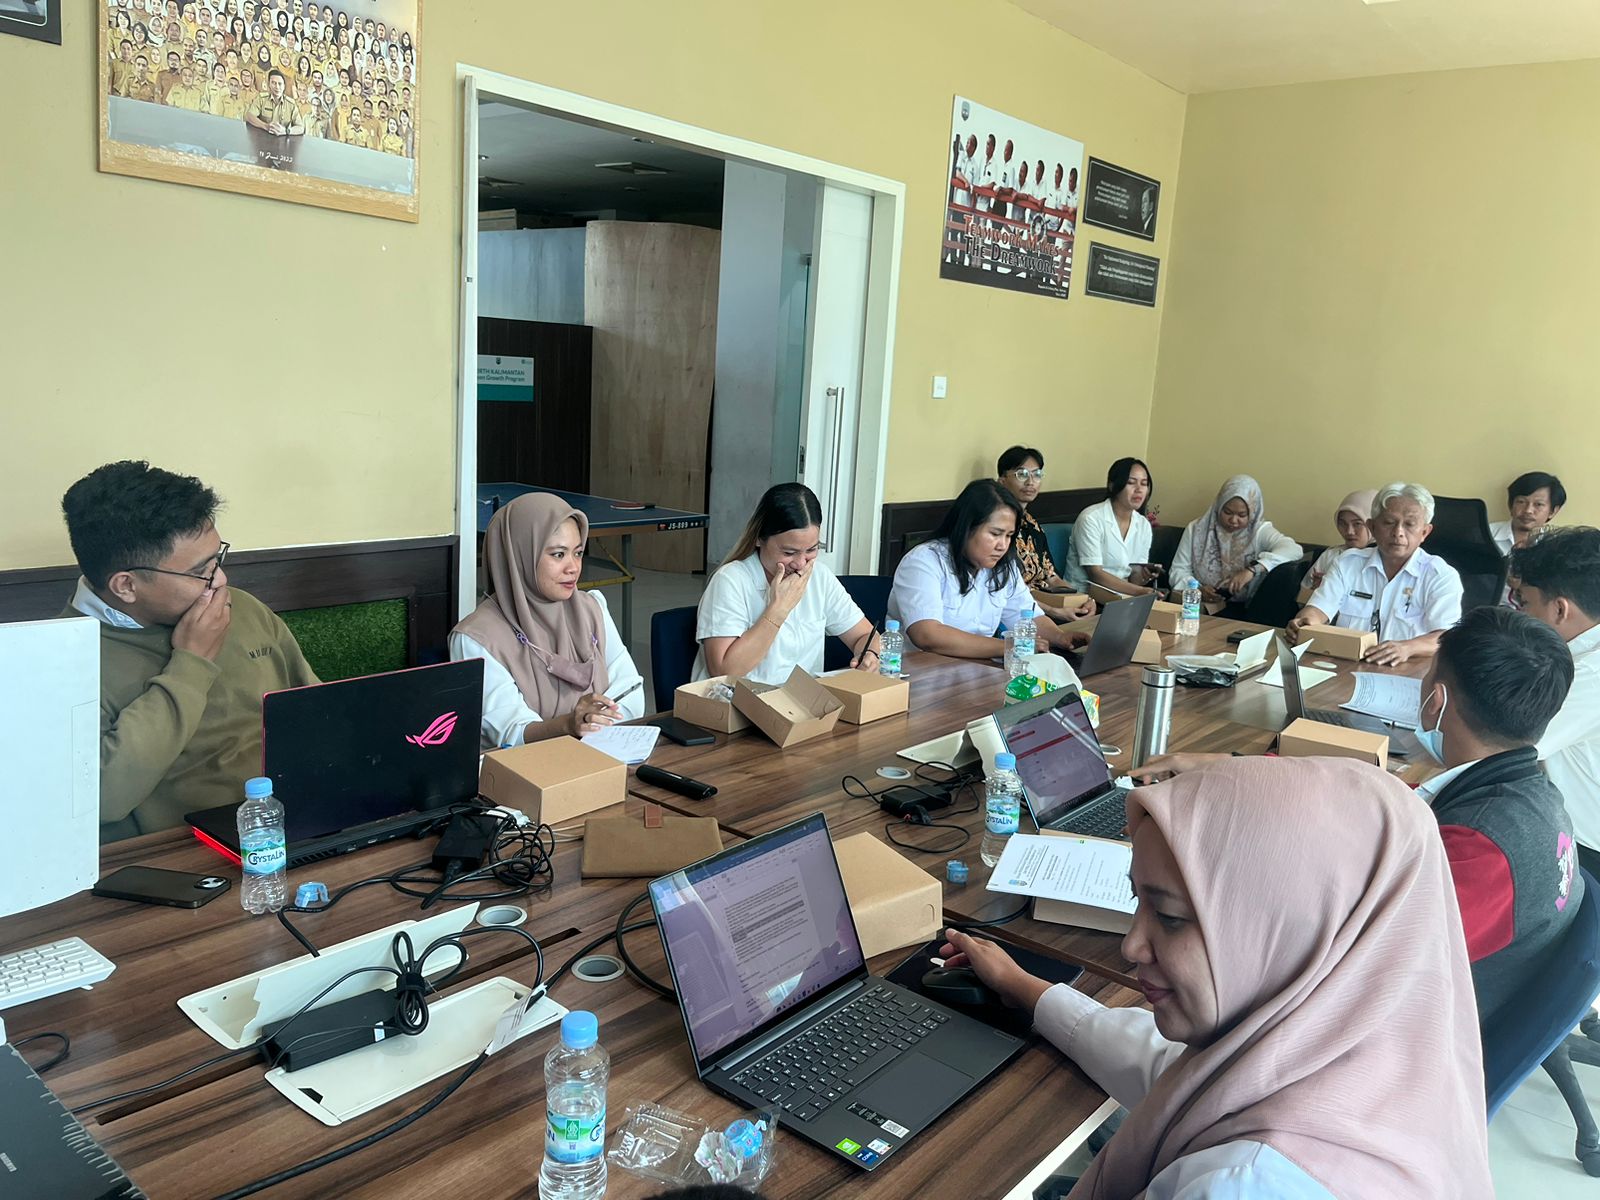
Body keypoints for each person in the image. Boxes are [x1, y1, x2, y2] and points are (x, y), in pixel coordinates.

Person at [941, 756, 1494, 1198]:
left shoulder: (1245, 1183)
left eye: (1171, 916)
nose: (1132, 945)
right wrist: (1023, 987)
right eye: (1138, 902)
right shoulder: (1389, 1061)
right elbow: (1183, 1075)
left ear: (1291, 928)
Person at [59, 461, 318, 841]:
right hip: (178, 854)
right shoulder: (63, 659)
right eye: (201, 571)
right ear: (126, 586)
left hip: (296, 820)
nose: (221, 579)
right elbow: (101, 798)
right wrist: (191, 664)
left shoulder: (243, 608)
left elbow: (317, 712)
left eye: (218, 559)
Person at [450, 493, 644, 751]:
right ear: (519, 557)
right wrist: (570, 724)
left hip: (600, 757)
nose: (573, 567)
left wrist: (594, 725)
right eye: (558, 554)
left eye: (578, 553)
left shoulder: (592, 608)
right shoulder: (476, 638)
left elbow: (632, 692)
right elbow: (510, 734)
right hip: (524, 770)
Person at [692, 484, 879, 686]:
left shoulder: (819, 576)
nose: (800, 563)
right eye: (789, 553)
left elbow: (866, 635)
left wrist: (870, 654)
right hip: (736, 701)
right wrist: (778, 611)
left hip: (801, 700)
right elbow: (724, 671)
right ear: (759, 539)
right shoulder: (730, 580)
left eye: (811, 550)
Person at [887, 480, 1089, 660]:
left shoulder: (1003, 567)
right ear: (966, 527)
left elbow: (1027, 616)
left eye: (1009, 536)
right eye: (995, 534)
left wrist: (1059, 637)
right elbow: (927, 635)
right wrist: (1007, 646)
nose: (1003, 545)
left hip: (977, 670)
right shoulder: (924, 561)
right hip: (920, 674)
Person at [1287, 482, 1462, 666]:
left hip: (1407, 670)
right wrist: (1304, 623)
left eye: (1409, 524)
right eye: (1389, 523)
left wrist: (1407, 648)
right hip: (1346, 665)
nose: (1398, 532)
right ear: (1372, 527)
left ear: (1424, 532)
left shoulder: (1440, 576)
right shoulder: (1347, 563)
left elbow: (1446, 637)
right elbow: (1318, 609)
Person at [1510, 527, 1600, 873]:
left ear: (1560, 610)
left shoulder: (1586, 676)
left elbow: (1507, 746)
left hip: (1583, 855)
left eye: (1525, 603)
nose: (1520, 616)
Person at [1168, 475, 1301, 611]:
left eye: (1242, 515)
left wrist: (1253, 570)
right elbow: (1178, 569)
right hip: (1199, 607)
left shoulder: (1259, 531)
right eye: (1227, 512)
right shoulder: (1196, 529)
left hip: (1247, 610)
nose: (1233, 520)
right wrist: (1197, 589)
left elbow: (1294, 549)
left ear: (1253, 512)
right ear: (1218, 506)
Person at [994, 445, 1094, 614]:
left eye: (1037, 474)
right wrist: (1054, 611)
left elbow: (1052, 577)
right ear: (1002, 481)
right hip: (1019, 610)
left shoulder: (1033, 525)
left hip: (1047, 602)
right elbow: (1011, 593)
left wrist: (1084, 600)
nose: (1030, 482)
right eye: (1022, 474)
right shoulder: (997, 526)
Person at [1073, 457, 1159, 597]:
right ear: (1112, 486)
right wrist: (1139, 591)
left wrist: (1144, 576)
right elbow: (1095, 574)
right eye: (1131, 482)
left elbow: (1134, 578)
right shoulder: (1091, 518)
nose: (1139, 490)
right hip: (1085, 597)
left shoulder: (1143, 525)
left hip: (1122, 597)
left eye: (1144, 484)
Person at [1296, 489, 1376, 605]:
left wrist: (1334, 591)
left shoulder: (1384, 560)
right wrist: (1317, 591)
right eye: (1343, 523)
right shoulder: (1331, 555)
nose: (1349, 531)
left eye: (1357, 524)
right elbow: (1301, 598)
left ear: (1373, 524)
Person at [1492, 470, 1566, 555]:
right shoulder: (1485, 535)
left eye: (1538, 504)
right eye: (1521, 502)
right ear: (1511, 505)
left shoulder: (1558, 547)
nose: (1528, 510)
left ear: (1553, 511)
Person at [244, 67, 303, 135]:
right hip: (262, 136)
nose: (277, 87)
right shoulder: (262, 99)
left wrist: (286, 131)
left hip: (282, 138)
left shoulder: (291, 104)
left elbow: (301, 128)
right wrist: (266, 126)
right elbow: (249, 116)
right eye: (274, 83)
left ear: (284, 86)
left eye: (280, 84)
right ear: (269, 84)